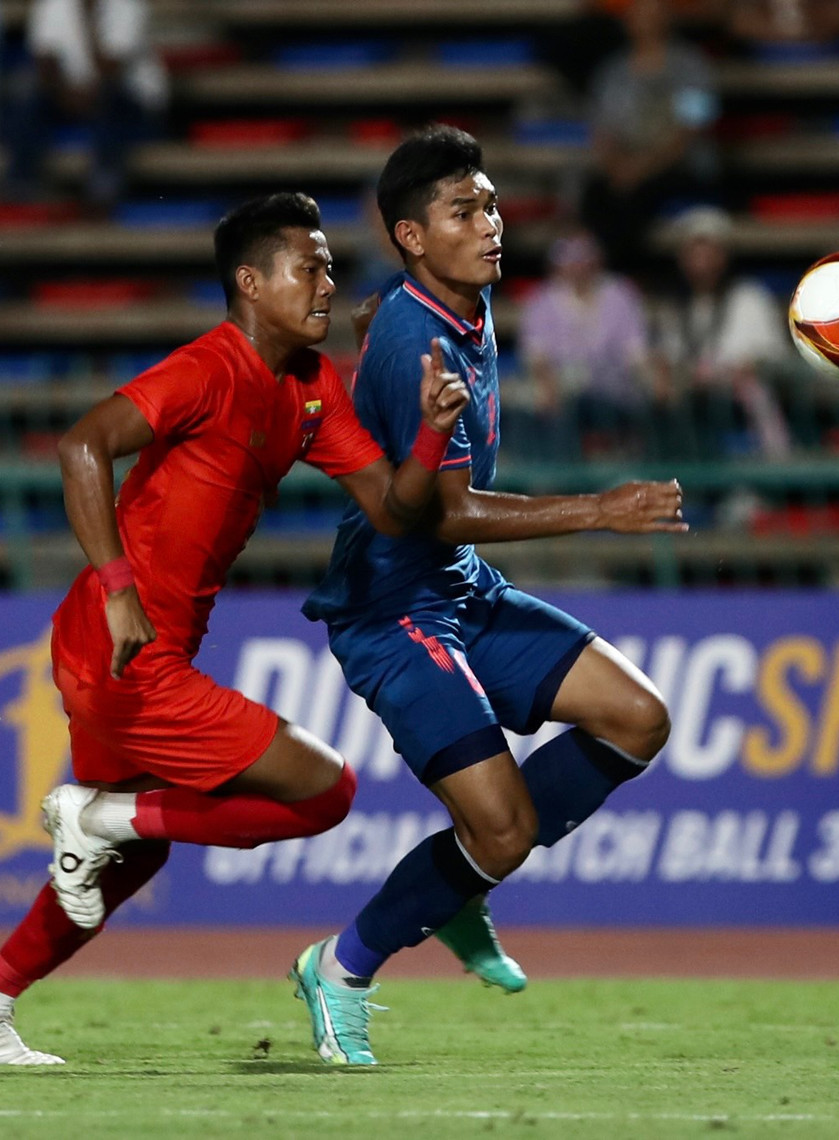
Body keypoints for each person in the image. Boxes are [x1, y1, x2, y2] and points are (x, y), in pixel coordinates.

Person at [0, 191, 472, 1065]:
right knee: (323, 790)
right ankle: (95, 817)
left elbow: (396, 510)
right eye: (309, 266)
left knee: (131, 852)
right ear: (251, 283)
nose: (328, 281)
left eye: (330, 265)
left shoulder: (311, 388)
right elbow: (81, 445)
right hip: (123, 650)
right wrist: (116, 588)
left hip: (136, 654)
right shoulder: (208, 367)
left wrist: (434, 434)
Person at [290, 126, 686, 1067]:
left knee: (638, 718)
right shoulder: (418, 332)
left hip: (458, 590)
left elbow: (373, 344)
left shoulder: (448, 308)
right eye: (465, 212)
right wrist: (603, 507)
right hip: (394, 607)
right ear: (413, 236)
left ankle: (460, 883)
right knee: (500, 827)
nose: (493, 224)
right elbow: (447, 513)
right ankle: (342, 968)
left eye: (493, 204)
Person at [579, 0, 721, 276]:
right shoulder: (612, 72)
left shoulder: (692, 66)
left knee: (635, 200)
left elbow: (693, 127)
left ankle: (631, 275)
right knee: (595, 194)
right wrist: (619, 166)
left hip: (680, 167)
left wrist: (642, 168)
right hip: (627, 168)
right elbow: (602, 131)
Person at [652, 205, 792, 461]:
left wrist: (740, 371)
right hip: (694, 407)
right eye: (693, 253)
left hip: (740, 409)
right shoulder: (675, 309)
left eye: (709, 252)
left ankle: (768, 468)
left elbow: (772, 355)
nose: (701, 262)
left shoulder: (750, 297)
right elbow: (669, 359)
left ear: (723, 256)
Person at [7, 0, 168, 211]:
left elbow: (110, 70)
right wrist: (64, 92)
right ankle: (21, 182)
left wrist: (87, 19)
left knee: (110, 99)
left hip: (129, 102)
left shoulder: (128, 6)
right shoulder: (52, 5)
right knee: (25, 95)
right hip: (69, 94)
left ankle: (103, 187)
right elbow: (44, 62)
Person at [516, 229, 656, 459]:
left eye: (583, 258)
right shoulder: (542, 300)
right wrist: (548, 382)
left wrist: (647, 379)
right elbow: (535, 357)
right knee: (539, 405)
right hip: (561, 395)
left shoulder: (620, 294)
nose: (577, 266)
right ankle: (552, 480)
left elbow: (636, 354)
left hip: (614, 393)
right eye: (570, 259)